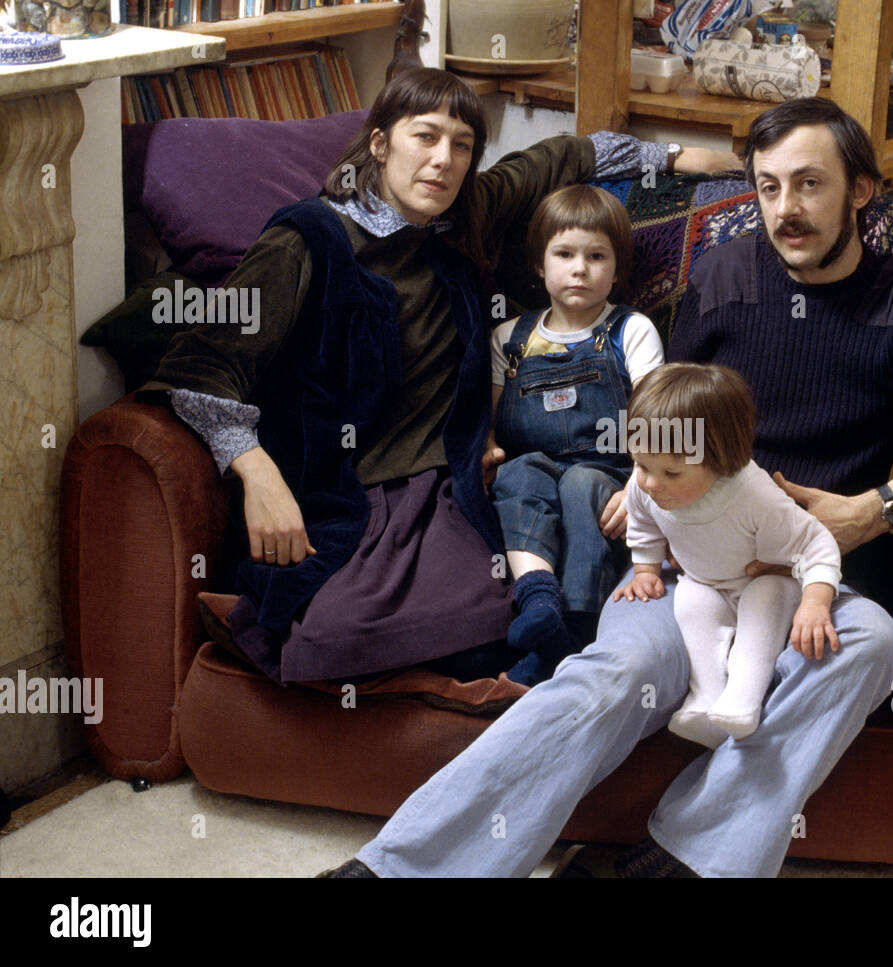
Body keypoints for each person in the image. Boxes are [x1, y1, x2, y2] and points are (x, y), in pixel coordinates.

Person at [331, 96, 893, 878]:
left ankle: (683, 859)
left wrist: (880, 507)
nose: (787, 209)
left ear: (860, 192)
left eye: (810, 184)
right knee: (610, 678)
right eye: (769, 186)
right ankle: (402, 868)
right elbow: (667, 417)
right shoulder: (722, 277)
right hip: (688, 567)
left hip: (817, 583)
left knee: (876, 644)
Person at [141, 67, 738, 685]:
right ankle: (261, 627)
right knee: (328, 639)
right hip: (347, 490)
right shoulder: (308, 239)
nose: (443, 161)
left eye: (461, 145)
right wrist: (259, 475)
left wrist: (686, 156)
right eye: (424, 137)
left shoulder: (465, 214)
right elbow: (202, 362)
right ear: (379, 144)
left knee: (498, 622)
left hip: (447, 483)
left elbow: (564, 155)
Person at [487, 185, 664, 685]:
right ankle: (538, 599)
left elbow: (657, 417)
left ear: (617, 268)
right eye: (564, 254)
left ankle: (579, 625)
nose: (580, 268)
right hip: (533, 464)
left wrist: (639, 487)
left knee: (580, 483)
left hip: (609, 469)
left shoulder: (631, 330)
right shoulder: (509, 338)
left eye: (596, 256)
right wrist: (485, 450)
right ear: (540, 266)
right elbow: (492, 424)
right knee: (518, 473)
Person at [612, 363, 841, 748]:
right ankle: (705, 699)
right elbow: (642, 522)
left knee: (762, 606)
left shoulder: (753, 495)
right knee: (690, 603)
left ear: (721, 461)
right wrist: (645, 568)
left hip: (767, 581)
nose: (650, 483)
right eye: (640, 464)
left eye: (671, 473)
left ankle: (743, 699)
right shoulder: (645, 484)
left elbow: (816, 544)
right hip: (705, 581)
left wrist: (816, 602)